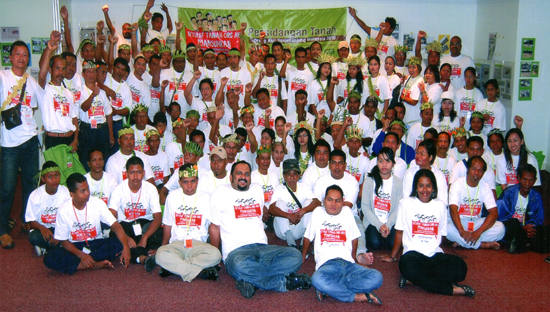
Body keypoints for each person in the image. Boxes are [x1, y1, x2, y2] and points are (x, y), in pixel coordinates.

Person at [209, 161, 310, 298]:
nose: (243, 177)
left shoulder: (257, 189)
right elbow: (214, 227)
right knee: (240, 266)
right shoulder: (220, 193)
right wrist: (215, 259)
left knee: (295, 256)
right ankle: (283, 282)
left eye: (247, 174)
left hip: (263, 249)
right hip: (237, 252)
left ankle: (252, 281)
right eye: (239, 173)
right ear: (231, 177)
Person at [381, 169, 475, 297]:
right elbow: (399, 233)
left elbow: (440, 236)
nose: (424, 190)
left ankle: (414, 280)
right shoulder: (406, 203)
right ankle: (452, 290)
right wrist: (392, 256)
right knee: (407, 266)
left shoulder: (440, 206)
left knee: (460, 268)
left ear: (433, 188)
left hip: (434, 256)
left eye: (428, 185)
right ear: (416, 187)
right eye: (421, 185)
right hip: (413, 255)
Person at [305, 185, 383, 304]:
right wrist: (302, 257)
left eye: (337, 201)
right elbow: (307, 237)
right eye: (330, 199)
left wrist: (354, 260)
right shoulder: (317, 213)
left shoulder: (347, 212)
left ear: (342, 202)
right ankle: (356, 296)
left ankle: (332, 289)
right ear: (324, 201)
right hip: (327, 265)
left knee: (377, 278)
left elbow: (354, 238)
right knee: (317, 279)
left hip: (348, 264)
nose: (333, 204)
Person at [43, 173, 131, 274]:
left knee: (119, 242)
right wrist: (81, 255)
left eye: (87, 189)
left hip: (96, 243)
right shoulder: (63, 210)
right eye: (82, 191)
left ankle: (83, 264)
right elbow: (63, 241)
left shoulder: (97, 203)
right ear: (72, 194)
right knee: (50, 258)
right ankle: (95, 264)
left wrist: (125, 247)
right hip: (75, 247)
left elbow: (115, 225)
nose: (87, 193)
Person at [0, 40, 41, 248]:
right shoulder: (3, 76)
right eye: (17, 54)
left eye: (25, 55)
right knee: (7, 188)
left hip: (30, 140)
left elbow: (32, 109)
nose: (21, 58)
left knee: (30, 184)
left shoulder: (31, 81)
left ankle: (26, 220)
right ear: (10, 57)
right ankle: (2, 230)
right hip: (9, 142)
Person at [155, 164, 222, 281]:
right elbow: (168, 225)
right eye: (185, 182)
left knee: (215, 255)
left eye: (193, 181)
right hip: (177, 243)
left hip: (198, 244)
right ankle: (199, 272)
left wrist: (214, 248)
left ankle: (176, 267)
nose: (190, 186)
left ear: (198, 181)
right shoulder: (172, 196)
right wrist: (164, 246)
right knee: (160, 254)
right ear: (179, 182)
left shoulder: (206, 197)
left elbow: (213, 226)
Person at [108, 156, 162, 268]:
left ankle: (140, 255)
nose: (136, 176)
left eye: (139, 172)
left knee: (161, 233)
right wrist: (126, 238)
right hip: (126, 226)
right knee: (114, 235)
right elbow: (111, 217)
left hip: (145, 225)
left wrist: (145, 237)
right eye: (132, 172)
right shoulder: (119, 189)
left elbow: (157, 218)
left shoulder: (151, 189)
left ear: (144, 173)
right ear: (126, 173)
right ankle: (145, 257)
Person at [447, 156, 505, 250]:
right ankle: (483, 245)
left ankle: (463, 241)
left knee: (500, 228)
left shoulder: (485, 186)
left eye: (480, 170)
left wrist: (478, 232)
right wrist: (461, 231)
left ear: (483, 173)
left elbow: (494, 213)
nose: (476, 173)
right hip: (459, 222)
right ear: (468, 169)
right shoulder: (457, 184)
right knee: (448, 229)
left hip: (475, 223)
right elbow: (453, 209)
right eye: (473, 169)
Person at [38, 31, 79, 151]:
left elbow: (74, 118)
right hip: (53, 140)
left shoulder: (69, 93)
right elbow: (41, 74)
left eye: (63, 69)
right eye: (57, 68)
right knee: (53, 170)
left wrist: (75, 140)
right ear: (50, 70)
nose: (60, 72)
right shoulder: (44, 89)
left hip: (69, 139)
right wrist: (49, 48)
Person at [497, 164, 549, 254]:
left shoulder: (536, 196)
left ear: (535, 180)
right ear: (519, 178)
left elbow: (539, 219)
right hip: (512, 227)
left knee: (544, 230)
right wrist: (521, 228)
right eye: (524, 179)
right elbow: (500, 217)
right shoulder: (508, 193)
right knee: (514, 222)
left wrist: (529, 228)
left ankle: (522, 242)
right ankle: (522, 242)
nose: (527, 184)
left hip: (528, 228)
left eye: (531, 180)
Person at [270, 159, 321, 248]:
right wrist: (288, 215)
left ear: (299, 176)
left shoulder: (303, 187)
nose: (292, 177)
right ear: (284, 176)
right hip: (284, 231)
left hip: (299, 228)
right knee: (278, 204)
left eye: (295, 174)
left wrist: (302, 211)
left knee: (310, 202)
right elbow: (271, 208)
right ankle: (291, 243)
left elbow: (317, 202)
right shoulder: (279, 189)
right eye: (289, 174)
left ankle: (303, 242)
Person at [362, 147, 403, 251]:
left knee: (392, 244)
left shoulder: (398, 183)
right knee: (374, 243)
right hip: (373, 221)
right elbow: (365, 207)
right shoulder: (370, 180)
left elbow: (397, 209)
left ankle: (385, 234)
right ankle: (381, 235)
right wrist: (379, 225)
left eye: (388, 161)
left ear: (393, 164)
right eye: (381, 161)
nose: (384, 164)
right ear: (377, 163)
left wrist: (388, 225)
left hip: (390, 222)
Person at [77, 57, 114, 171]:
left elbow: (108, 114)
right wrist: (93, 95)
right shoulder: (80, 91)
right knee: (86, 159)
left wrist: (111, 134)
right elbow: (84, 107)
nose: (91, 74)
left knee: (103, 158)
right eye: (88, 72)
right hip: (87, 130)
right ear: (83, 74)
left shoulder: (102, 93)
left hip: (101, 130)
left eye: (93, 71)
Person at [26, 162, 71, 255]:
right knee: (33, 237)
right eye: (50, 177)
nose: (54, 180)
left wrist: (60, 234)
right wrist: (42, 228)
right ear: (43, 179)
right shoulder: (35, 195)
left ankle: (47, 247)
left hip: (61, 227)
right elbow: (32, 221)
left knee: (75, 231)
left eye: (56, 175)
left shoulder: (65, 192)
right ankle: (61, 246)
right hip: (44, 230)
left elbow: (70, 216)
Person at [402, 140, 448, 205]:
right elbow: (406, 198)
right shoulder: (410, 173)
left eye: (422, 154)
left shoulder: (439, 175)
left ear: (430, 157)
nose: (418, 156)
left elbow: (443, 202)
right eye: (417, 153)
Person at [400, 57, 423, 125]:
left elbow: (414, 101)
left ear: (419, 68)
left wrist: (402, 98)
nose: (411, 70)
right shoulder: (408, 78)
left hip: (414, 118)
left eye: (414, 67)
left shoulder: (420, 81)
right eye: (409, 67)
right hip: (405, 117)